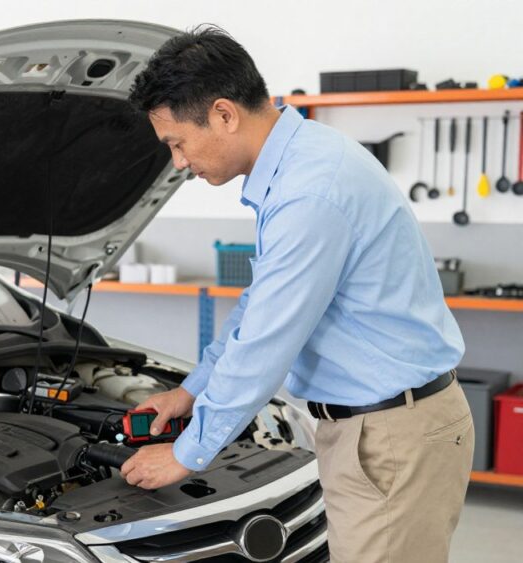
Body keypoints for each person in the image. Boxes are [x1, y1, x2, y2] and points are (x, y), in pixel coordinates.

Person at [118, 25, 474, 563]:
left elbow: (266, 342)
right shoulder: (297, 168)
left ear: (222, 114)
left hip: (392, 437)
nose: (179, 163)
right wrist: (187, 393)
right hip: (374, 429)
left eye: (177, 143)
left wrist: (188, 455)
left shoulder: (310, 191)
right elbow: (260, 308)